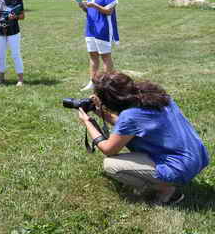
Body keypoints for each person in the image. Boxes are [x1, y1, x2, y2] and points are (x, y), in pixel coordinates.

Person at [77, 72, 209, 204]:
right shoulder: (157, 97)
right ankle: (166, 180)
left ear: (111, 100)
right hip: (197, 157)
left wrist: (88, 122)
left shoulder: (130, 116)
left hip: (181, 168)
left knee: (111, 165)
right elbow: (131, 126)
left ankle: (167, 191)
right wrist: (100, 112)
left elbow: (108, 149)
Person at [77, 0, 119, 91]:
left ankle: (108, 84)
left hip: (102, 28)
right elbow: (90, 11)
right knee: (93, 56)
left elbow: (109, 11)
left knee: (105, 56)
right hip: (90, 27)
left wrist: (94, 5)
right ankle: (93, 81)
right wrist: (84, 7)